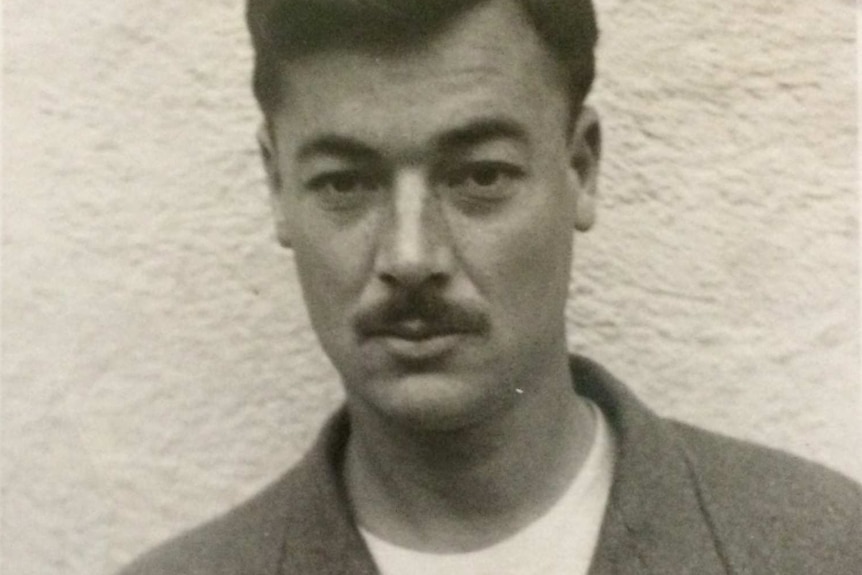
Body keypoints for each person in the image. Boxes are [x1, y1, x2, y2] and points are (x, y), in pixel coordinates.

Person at [120, 0, 861, 573]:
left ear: (582, 168)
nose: (410, 255)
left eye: (480, 176)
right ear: (278, 188)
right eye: (345, 182)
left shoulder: (828, 547)